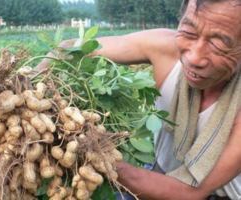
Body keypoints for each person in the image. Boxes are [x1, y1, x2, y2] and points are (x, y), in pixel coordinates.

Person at [37, 0, 241, 199]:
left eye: (218, 44)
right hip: (156, 171)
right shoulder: (164, 47)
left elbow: (191, 192)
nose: (195, 58)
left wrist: (94, 151)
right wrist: (25, 86)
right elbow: (69, 49)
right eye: (189, 33)